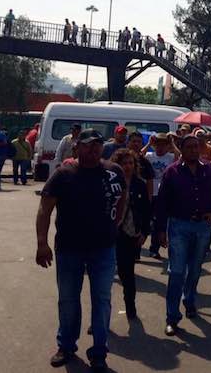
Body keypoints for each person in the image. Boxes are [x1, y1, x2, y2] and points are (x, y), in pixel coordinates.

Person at [35, 129, 126, 371]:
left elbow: (123, 197)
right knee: (68, 300)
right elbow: (45, 209)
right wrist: (42, 243)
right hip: (69, 248)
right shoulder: (63, 174)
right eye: (87, 145)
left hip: (103, 249)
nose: (93, 149)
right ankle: (66, 345)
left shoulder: (113, 172)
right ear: (76, 148)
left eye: (97, 144)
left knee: (102, 300)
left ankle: (99, 352)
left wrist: (116, 223)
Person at [156, 135, 211, 336]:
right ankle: (172, 317)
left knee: (194, 270)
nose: (194, 150)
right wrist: (160, 230)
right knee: (176, 272)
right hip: (179, 227)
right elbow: (162, 204)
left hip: (202, 227)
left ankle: (190, 300)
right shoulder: (171, 172)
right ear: (181, 150)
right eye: (190, 147)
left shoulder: (210, 170)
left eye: (197, 146)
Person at [111, 148, 151, 320]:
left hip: (130, 235)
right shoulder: (110, 182)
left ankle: (130, 307)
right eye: (124, 163)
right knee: (104, 277)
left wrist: (144, 233)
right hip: (110, 234)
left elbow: (146, 211)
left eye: (130, 163)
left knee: (127, 274)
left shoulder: (139, 184)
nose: (127, 166)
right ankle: (101, 316)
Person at [145, 133, 179, 259]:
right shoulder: (149, 156)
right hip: (150, 191)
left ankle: (154, 248)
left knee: (158, 222)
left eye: (163, 145)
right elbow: (138, 155)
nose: (160, 148)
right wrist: (149, 144)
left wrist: (172, 143)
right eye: (158, 145)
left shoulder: (170, 157)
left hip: (163, 193)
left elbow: (179, 156)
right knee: (146, 220)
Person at [0, 124, 8, 191]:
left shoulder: (1, 134)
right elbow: (5, 143)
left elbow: (4, 143)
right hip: (2, 155)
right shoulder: (2, 134)